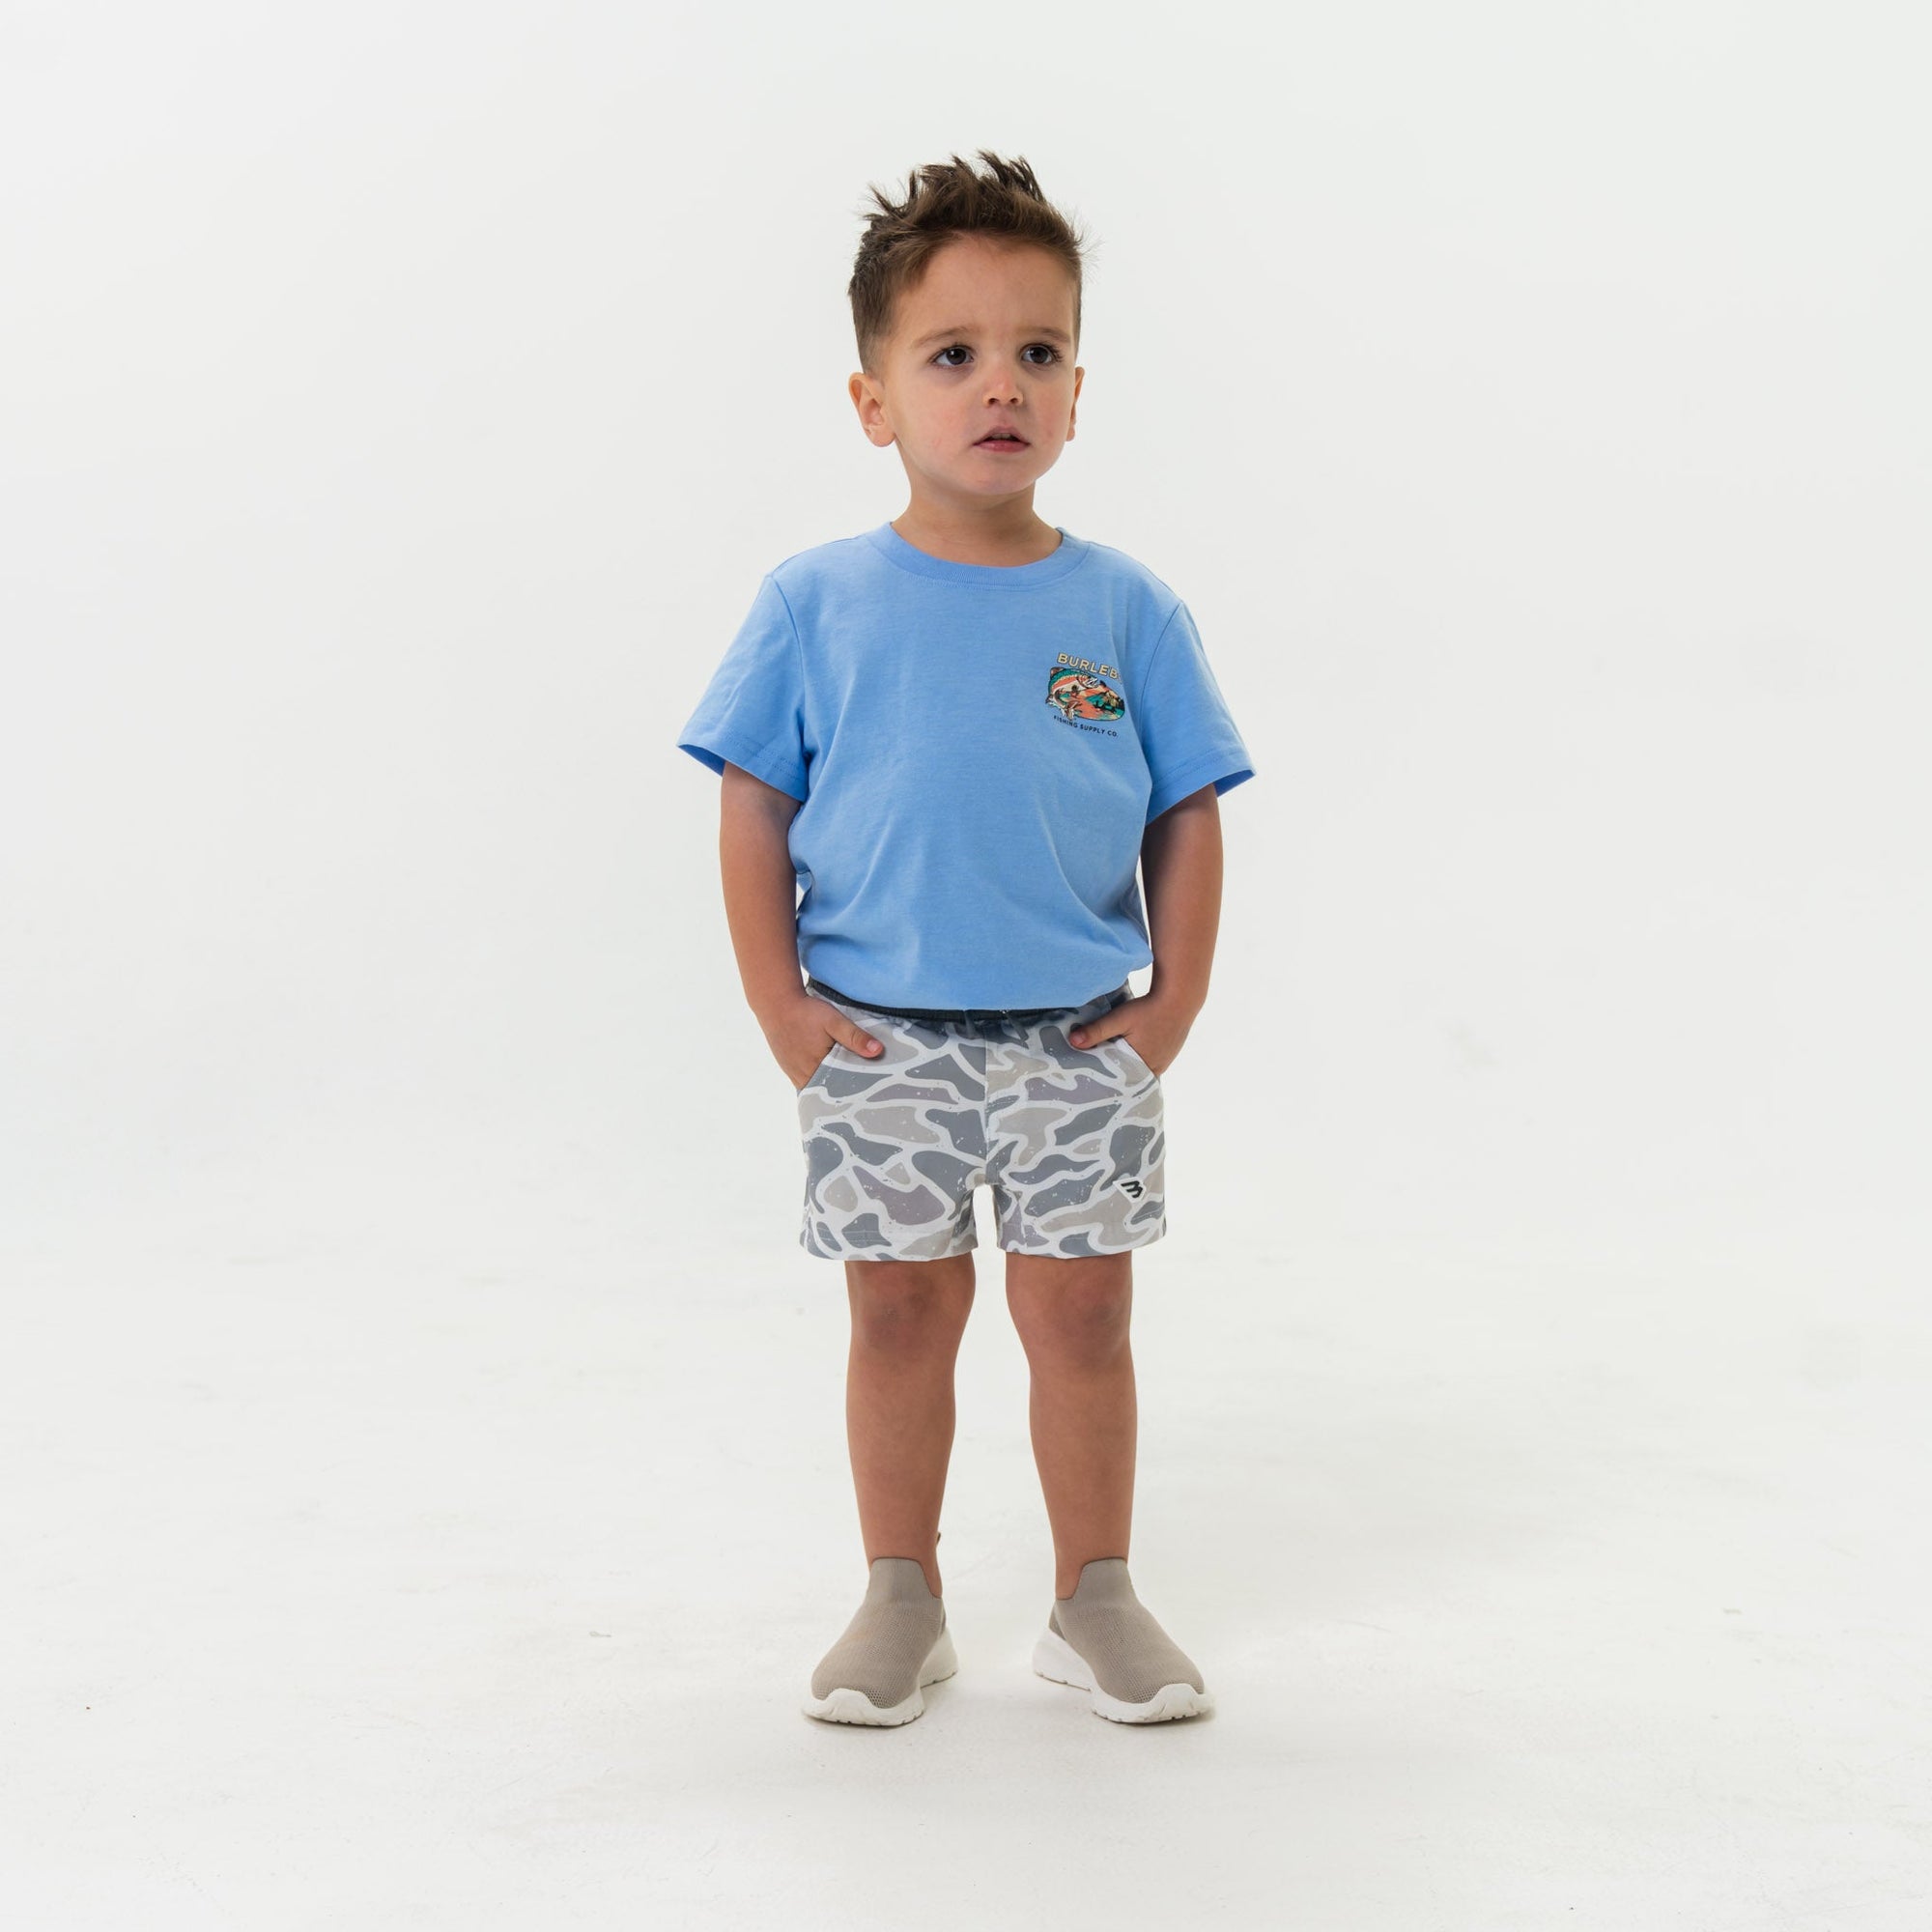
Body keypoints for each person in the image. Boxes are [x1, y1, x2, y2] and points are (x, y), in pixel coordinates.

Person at [675, 151, 1256, 1726]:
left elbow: (1189, 808)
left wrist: (1174, 1004)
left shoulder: (1126, 610)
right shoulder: (813, 602)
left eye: (1037, 350)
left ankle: (1094, 1596)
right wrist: (783, 1009)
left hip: (1077, 1038)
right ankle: (901, 1597)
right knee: (898, 1313)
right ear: (873, 400)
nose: (1000, 384)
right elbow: (750, 804)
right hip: (880, 1040)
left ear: (1077, 392)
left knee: (1084, 1316)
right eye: (952, 354)